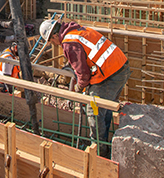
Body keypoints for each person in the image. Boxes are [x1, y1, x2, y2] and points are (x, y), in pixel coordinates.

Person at [39, 18, 130, 158]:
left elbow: (83, 75)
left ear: (55, 36)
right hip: (120, 67)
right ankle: (105, 144)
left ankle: (100, 154)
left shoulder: (69, 43)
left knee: (93, 112)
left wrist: (78, 89)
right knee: (104, 110)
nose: (54, 44)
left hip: (109, 76)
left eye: (52, 41)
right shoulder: (77, 30)